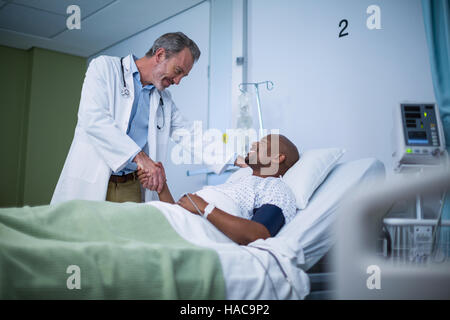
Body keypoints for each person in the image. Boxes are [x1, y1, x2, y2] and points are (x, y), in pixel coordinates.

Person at [51, 32, 212, 205]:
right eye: (177, 71)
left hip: (131, 186)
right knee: (80, 231)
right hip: (92, 179)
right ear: (160, 55)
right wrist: (140, 157)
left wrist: (236, 158)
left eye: (183, 76)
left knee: (128, 232)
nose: (178, 81)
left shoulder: (163, 100)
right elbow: (93, 118)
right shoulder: (105, 67)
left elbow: (191, 135)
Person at [139, 134, 300, 245]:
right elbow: (179, 216)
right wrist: (161, 185)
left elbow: (259, 234)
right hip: (169, 222)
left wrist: (205, 207)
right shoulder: (238, 180)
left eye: (262, 144)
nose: (253, 144)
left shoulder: (275, 187)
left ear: (277, 158)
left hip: (185, 233)